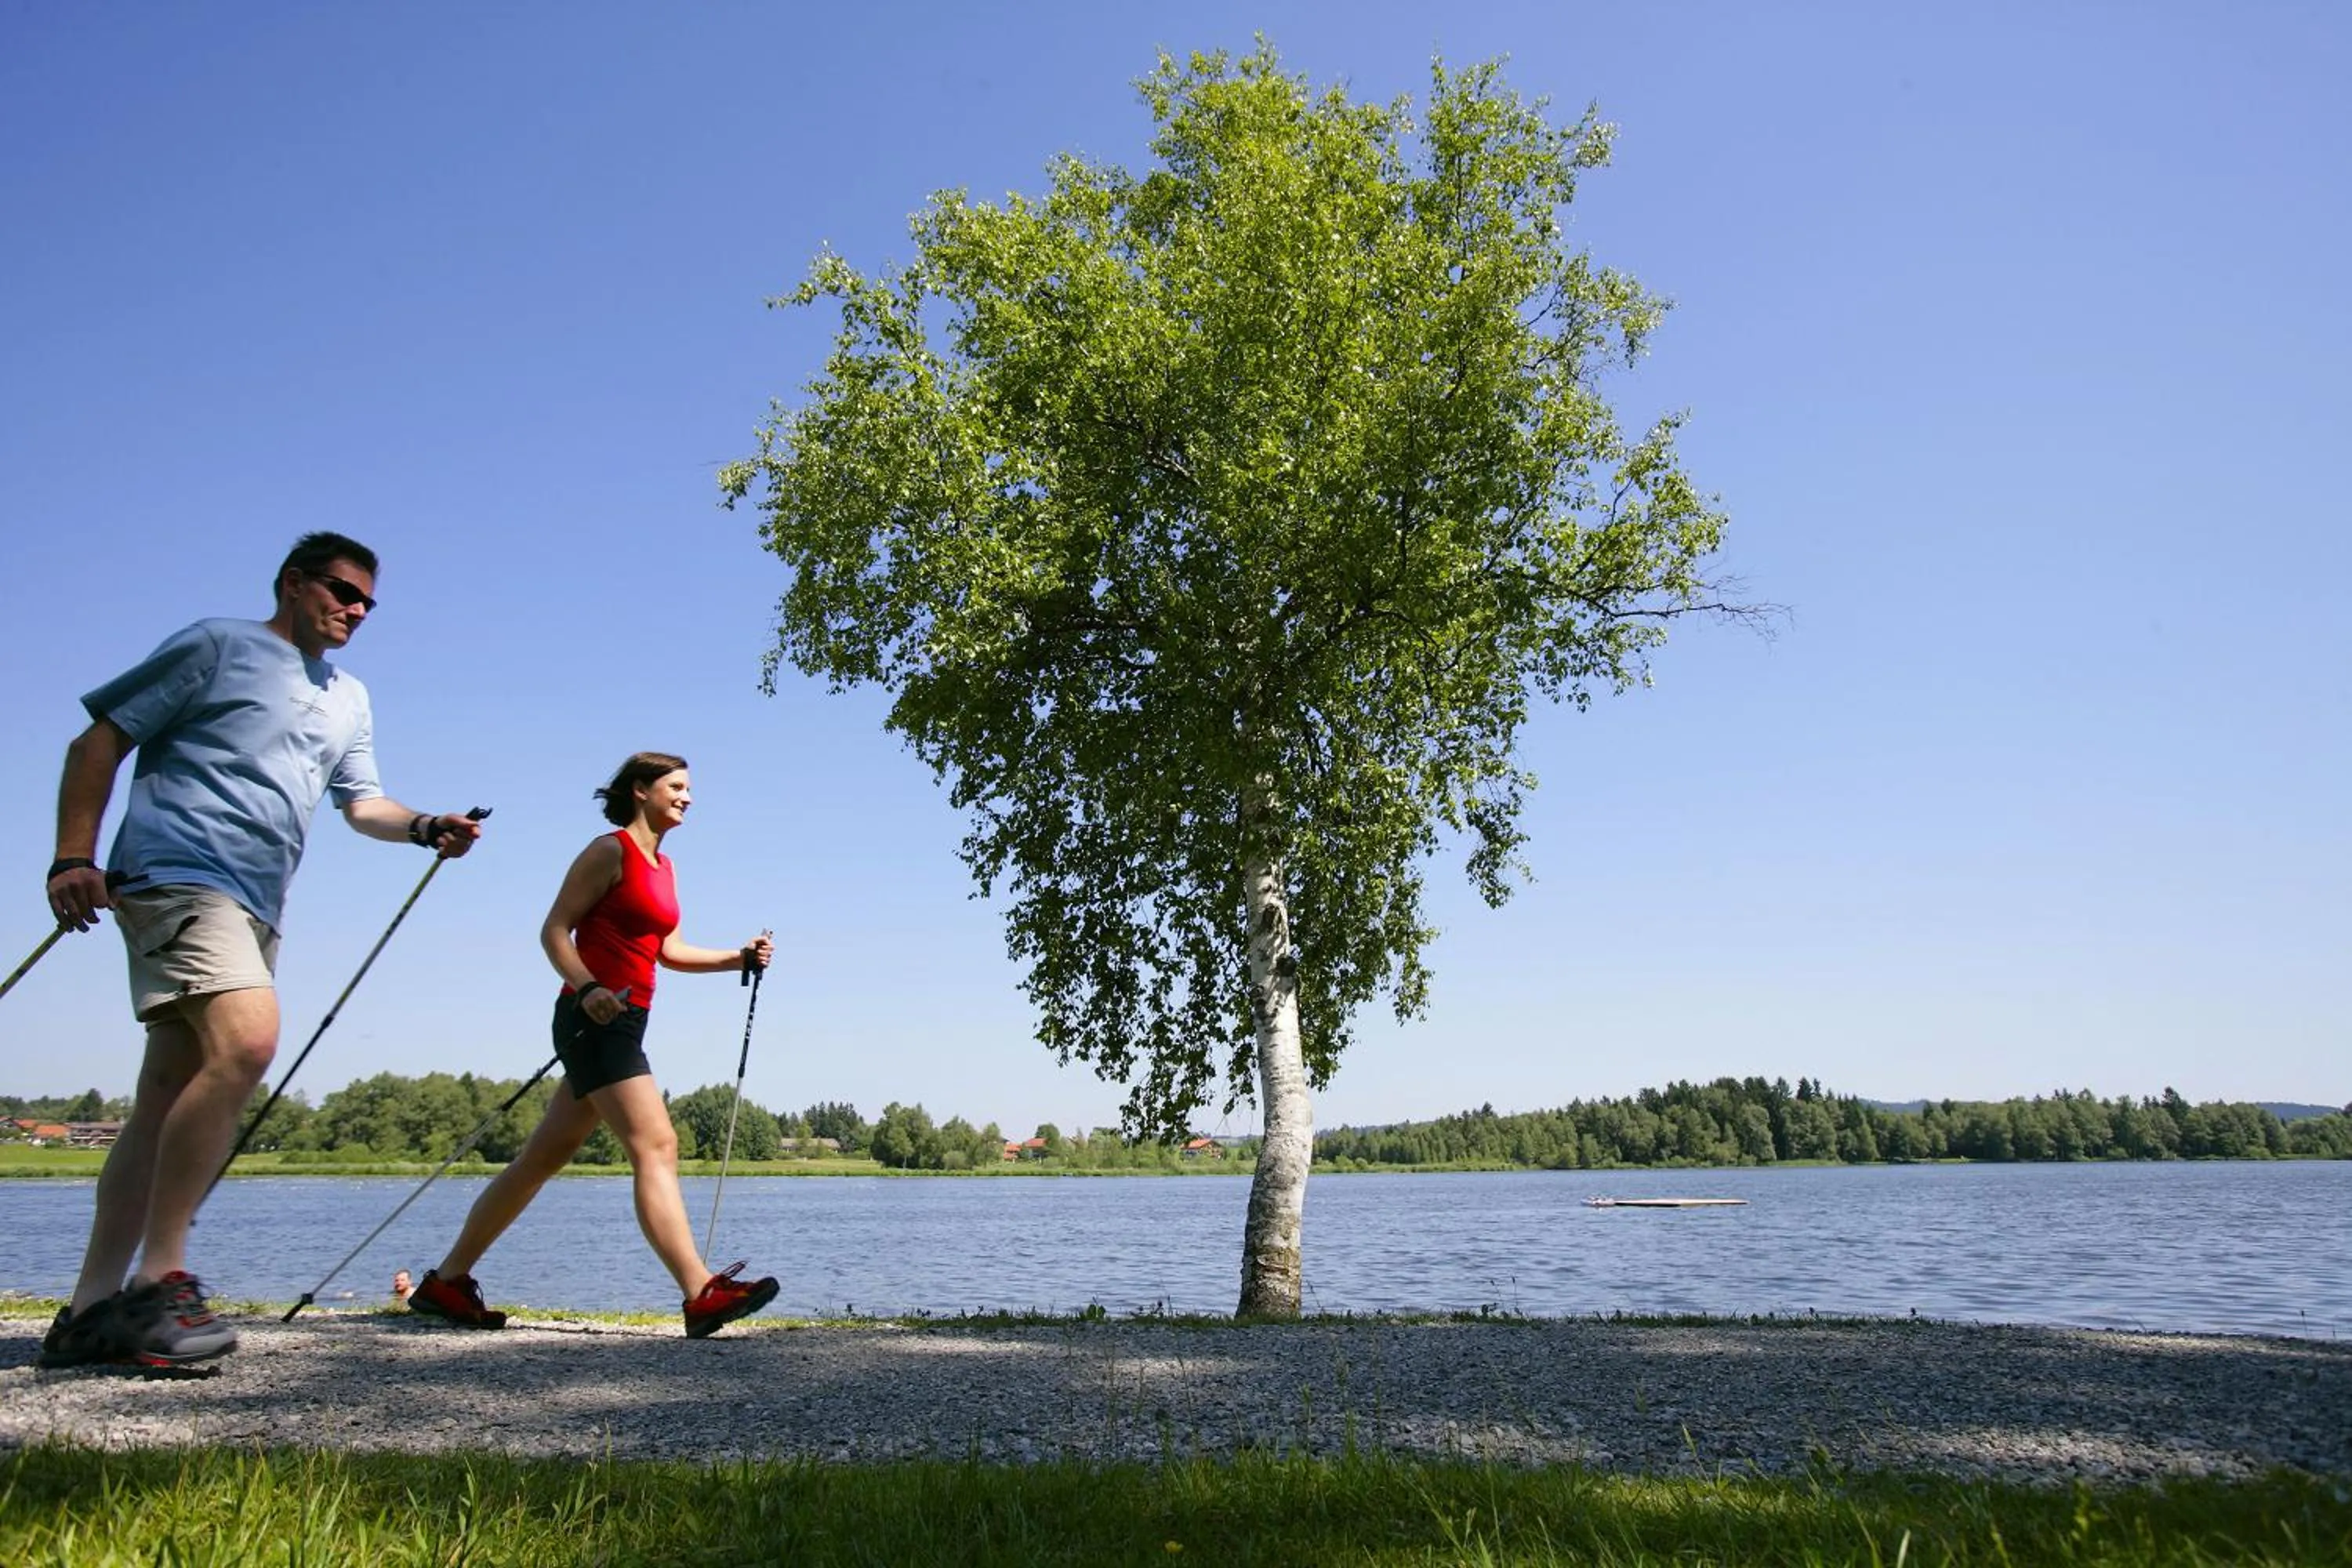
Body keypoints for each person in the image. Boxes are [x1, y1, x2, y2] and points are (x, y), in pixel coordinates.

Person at [38, 533, 484, 1370]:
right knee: (248, 1039)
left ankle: (87, 1312)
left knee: (167, 1093)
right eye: (342, 591)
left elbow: (362, 803)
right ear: (292, 582)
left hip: (256, 902)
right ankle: (159, 1278)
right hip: (175, 875)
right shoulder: (218, 645)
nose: (355, 609)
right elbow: (97, 741)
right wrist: (73, 855)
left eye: (367, 602)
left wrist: (426, 825)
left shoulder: (350, 696)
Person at [407, 752, 779, 1339]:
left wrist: (738, 958)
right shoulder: (609, 852)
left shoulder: (665, 868)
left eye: (689, 789)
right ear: (640, 790)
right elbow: (555, 928)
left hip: (627, 1018)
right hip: (594, 1016)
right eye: (676, 787)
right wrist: (587, 987)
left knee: (539, 1161)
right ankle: (699, 1290)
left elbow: (669, 952)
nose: (687, 797)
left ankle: (447, 1283)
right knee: (657, 1144)